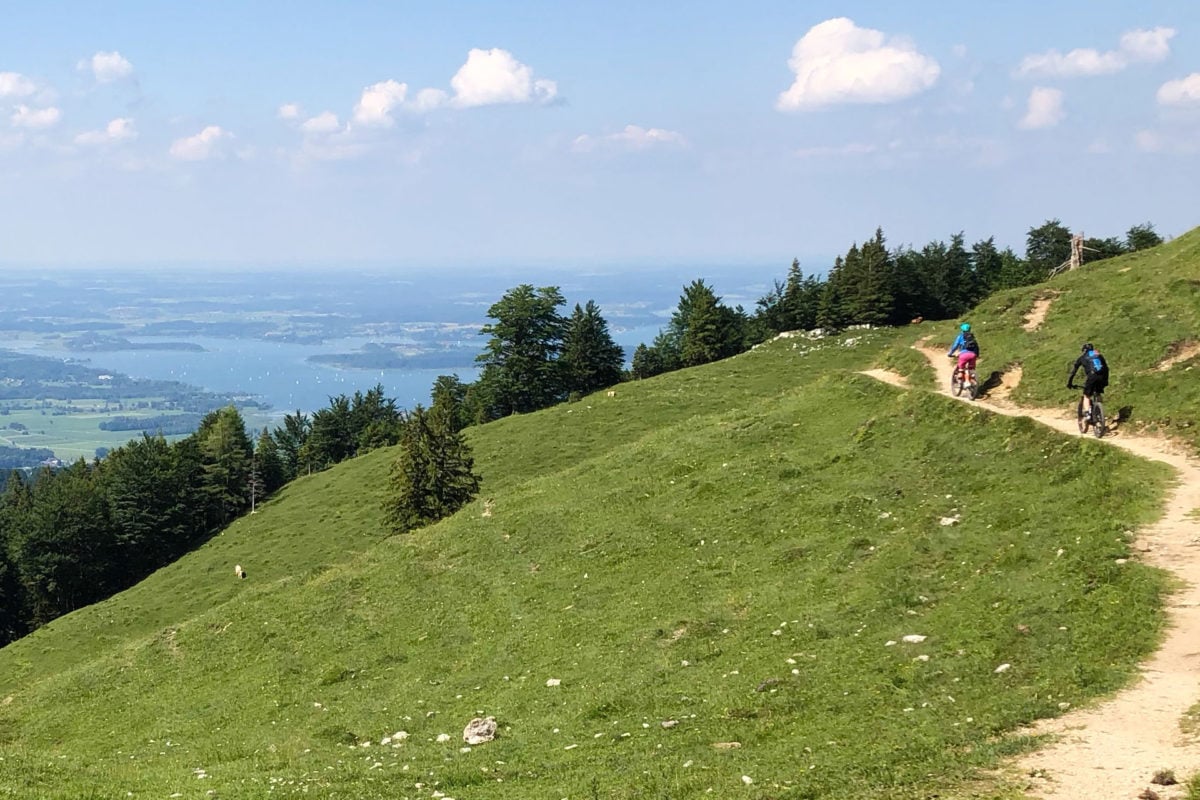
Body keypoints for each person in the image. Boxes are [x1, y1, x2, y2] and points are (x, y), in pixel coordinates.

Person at [1068, 342, 1109, 419]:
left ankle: (1087, 413)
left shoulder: (1082, 357)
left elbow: (1073, 372)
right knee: (1098, 393)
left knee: (1086, 395)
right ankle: (1100, 413)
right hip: (1102, 376)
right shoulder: (1099, 355)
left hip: (1092, 376)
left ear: (1084, 350)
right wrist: (1106, 380)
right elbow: (1106, 368)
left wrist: (1069, 383)